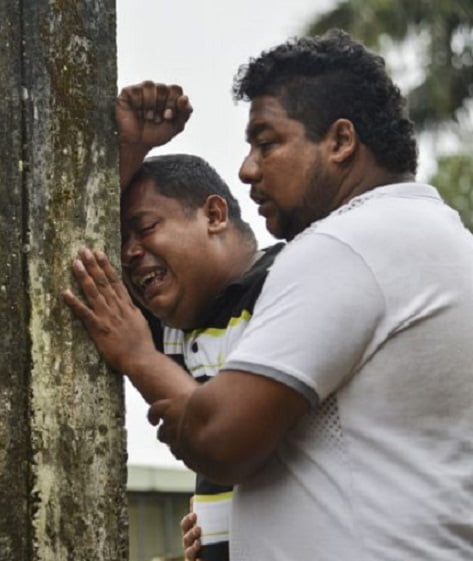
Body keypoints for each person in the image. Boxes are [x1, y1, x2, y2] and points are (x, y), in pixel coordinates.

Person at [141, 30, 473, 560]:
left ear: (340, 142)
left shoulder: (344, 245)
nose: (247, 169)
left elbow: (219, 441)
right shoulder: (447, 240)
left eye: (267, 142)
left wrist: (133, 351)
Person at [63, 81, 283, 561]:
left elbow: (232, 436)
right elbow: (75, 243)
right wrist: (131, 145)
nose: (129, 253)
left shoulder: (286, 284)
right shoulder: (177, 323)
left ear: (214, 214)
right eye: (122, 240)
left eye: (145, 228)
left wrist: (137, 357)